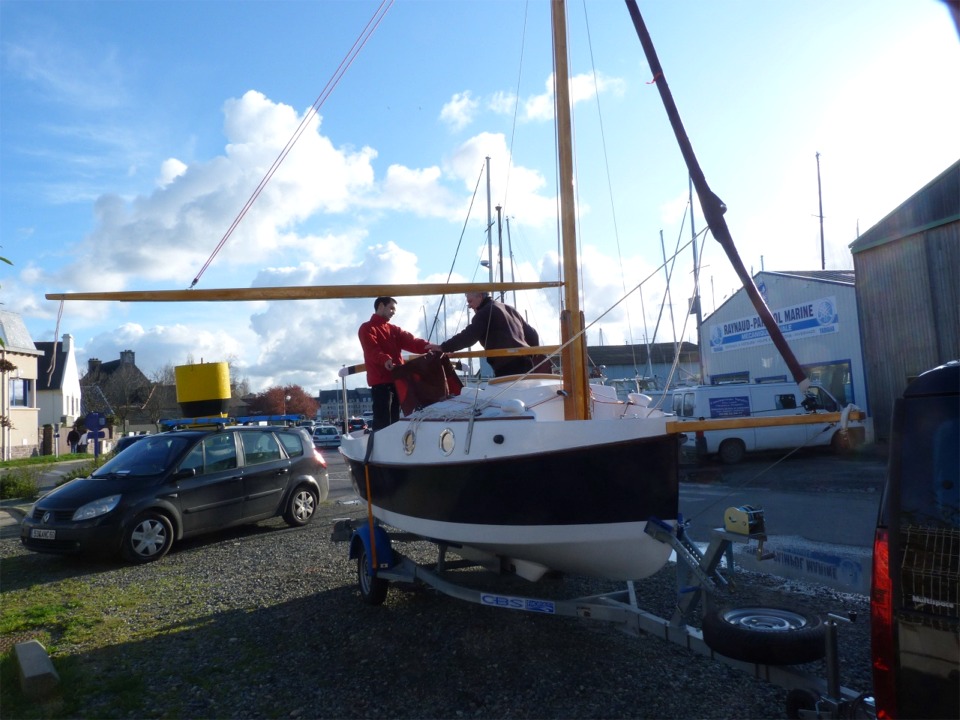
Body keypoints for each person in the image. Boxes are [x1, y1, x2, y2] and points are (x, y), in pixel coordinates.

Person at [358, 296, 440, 431]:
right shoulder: (366, 328)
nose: (393, 312)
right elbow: (372, 349)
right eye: (391, 308)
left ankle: (389, 448)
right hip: (381, 383)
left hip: (396, 380)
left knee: (394, 419)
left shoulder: (394, 329)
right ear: (380, 306)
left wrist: (431, 347)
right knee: (382, 420)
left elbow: (412, 342)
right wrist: (385, 359)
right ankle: (382, 448)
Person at [440, 291, 550, 377]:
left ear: (480, 297)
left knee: (508, 402)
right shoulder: (510, 309)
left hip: (507, 366)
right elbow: (533, 334)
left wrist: (443, 347)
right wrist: (534, 354)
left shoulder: (484, 312)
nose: (469, 306)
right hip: (526, 362)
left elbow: (469, 336)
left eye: (470, 301)